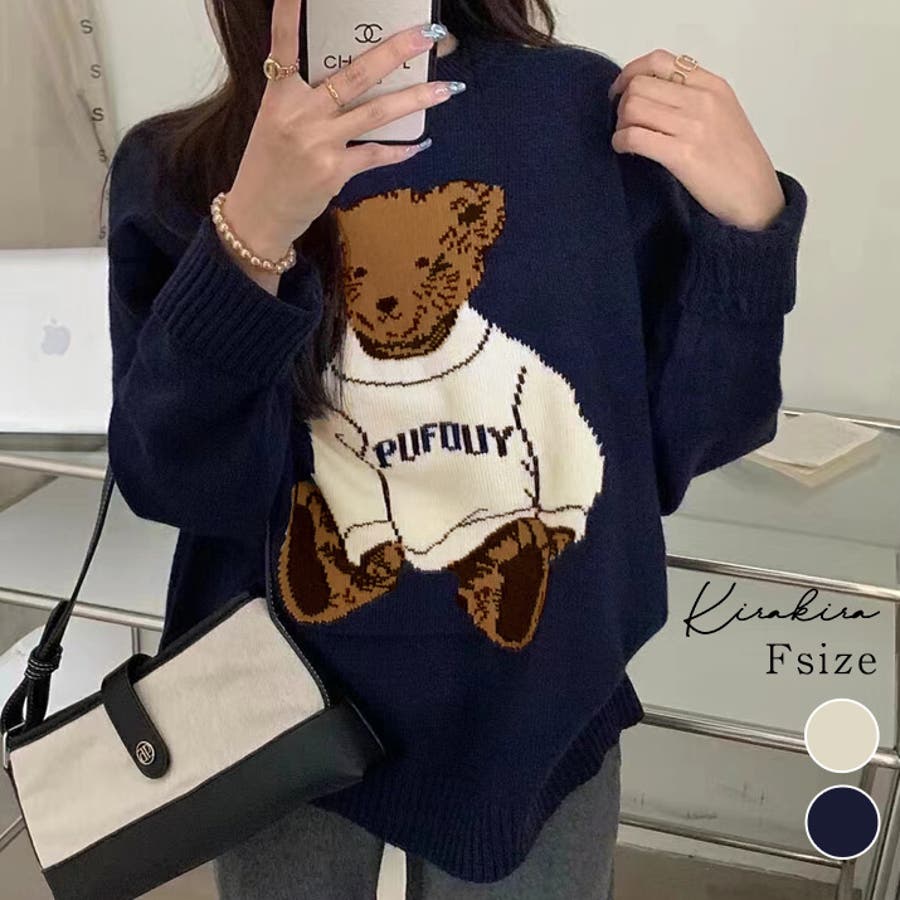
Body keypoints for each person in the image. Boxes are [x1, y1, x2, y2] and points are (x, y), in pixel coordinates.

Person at [103, 0, 808, 897]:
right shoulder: (179, 168)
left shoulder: (581, 116)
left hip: (541, 711)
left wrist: (749, 227)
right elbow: (173, 484)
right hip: (271, 711)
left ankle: (498, 547)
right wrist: (250, 237)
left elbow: (680, 443)